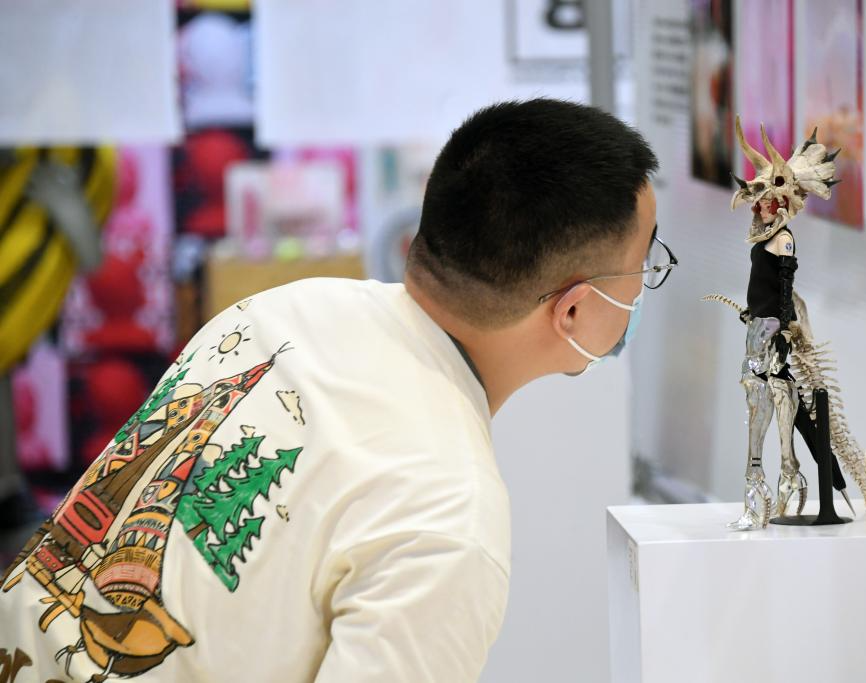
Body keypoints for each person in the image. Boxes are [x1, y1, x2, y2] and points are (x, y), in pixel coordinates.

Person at [0, 98, 671, 682]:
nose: (645, 285)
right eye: (644, 264)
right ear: (574, 309)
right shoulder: (448, 520)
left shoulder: (278, 311)